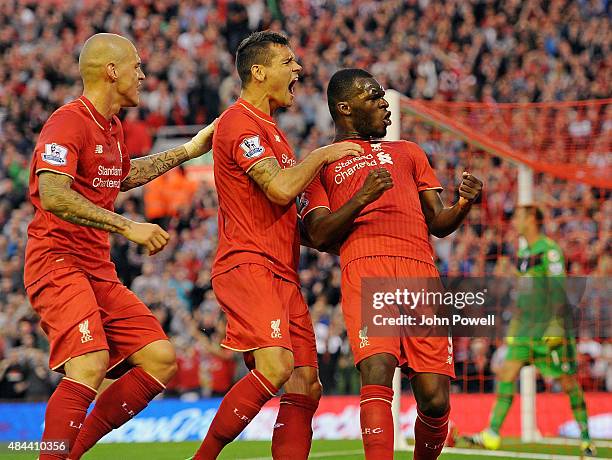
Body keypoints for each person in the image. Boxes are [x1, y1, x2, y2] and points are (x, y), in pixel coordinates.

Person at [24, 33, 215, 459]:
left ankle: (68, 454)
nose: (143, 75)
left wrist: (188, 149)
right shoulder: (68, 121)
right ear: (112, 71)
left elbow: (124, 174)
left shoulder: (111, 128)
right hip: (58, 261)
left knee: (161, 359)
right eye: (137, 66)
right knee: (89, 364)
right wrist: (128, 227)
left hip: (97, 269)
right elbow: (53, 194)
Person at [191, 31, 362, 460]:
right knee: (276, 367)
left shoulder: (275, 134)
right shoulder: (238, 122)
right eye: (288, 62)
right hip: (249, 264)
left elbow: (295, 218)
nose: (298, 69)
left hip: (283, 273)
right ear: (259, 71)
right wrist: (324, 155)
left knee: (306, 384)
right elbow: (281, 188)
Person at [300, 68, 483, 460]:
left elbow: (438, 223)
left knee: (435, 400)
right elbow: (316, 233)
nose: (385, 103)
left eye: (384, 96)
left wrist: (463, 204)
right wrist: (361, 198)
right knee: (377, 370)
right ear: (345, 107)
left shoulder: (410, 152)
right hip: (366, 267)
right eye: (374, 97)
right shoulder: (321, 165)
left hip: (420, 269)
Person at [466, 205, 596, 457]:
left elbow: (559, 289)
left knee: (568, 383)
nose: (515, 220)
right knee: (506, 373)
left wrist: (557, 324)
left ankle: (586, 439)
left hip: (548, 328)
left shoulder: (550, 251)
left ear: (533, 220)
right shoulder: (523, 251)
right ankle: (492, 433)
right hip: (524, 329)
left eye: (519, 216)